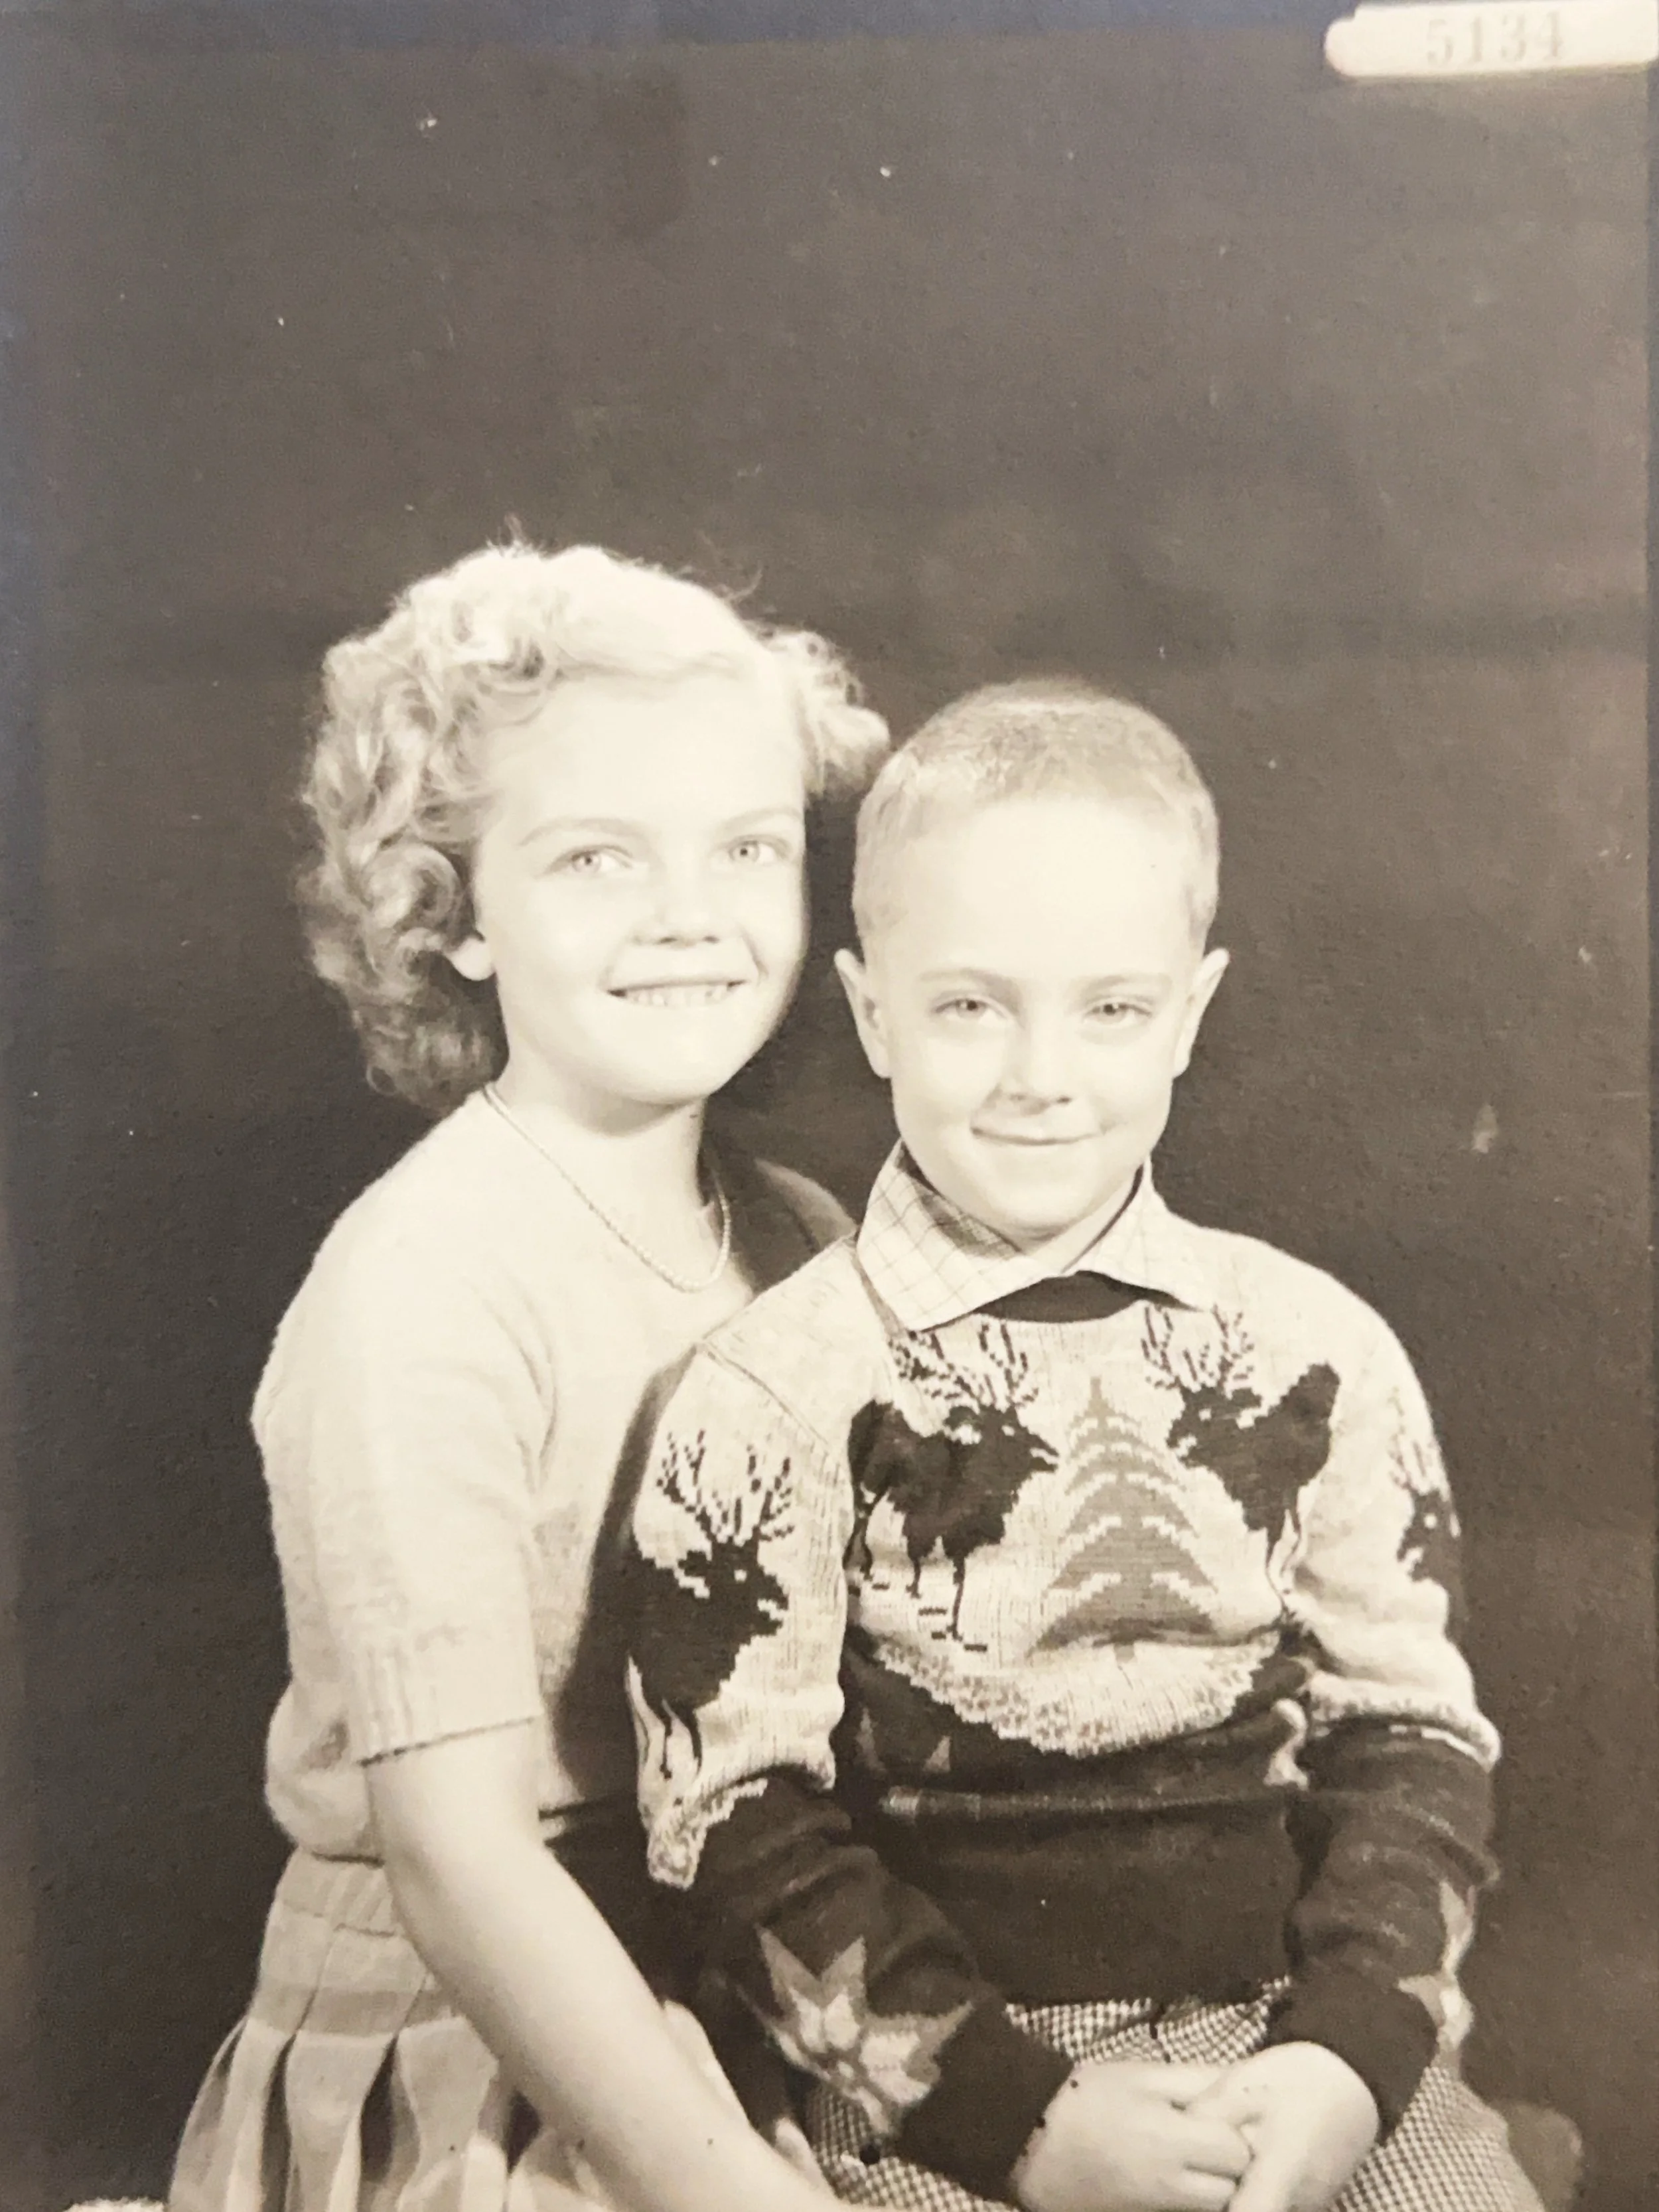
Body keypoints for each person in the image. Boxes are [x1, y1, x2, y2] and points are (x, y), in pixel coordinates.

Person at [625, 680, 1547, 2212]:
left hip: (1291, 2042)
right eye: (969, 1005)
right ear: (868, 1012)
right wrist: (1018, 2120)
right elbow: (729, 1817)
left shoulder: (1316, 1346)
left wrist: (1346, 2055)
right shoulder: (776, 1385)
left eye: (1110, 1008)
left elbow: (1412, 1739)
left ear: (1188, 1011)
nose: (1040, 1073)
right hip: (938, 2087)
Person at [167, 538, 889, 2212]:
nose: (689, 914)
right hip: (487, 2052)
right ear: (454, 912)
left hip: (745, 1982)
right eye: (593, 859)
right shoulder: (425, 1283)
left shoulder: (796, 1235)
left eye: (745, 847)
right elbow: (460, 1856)